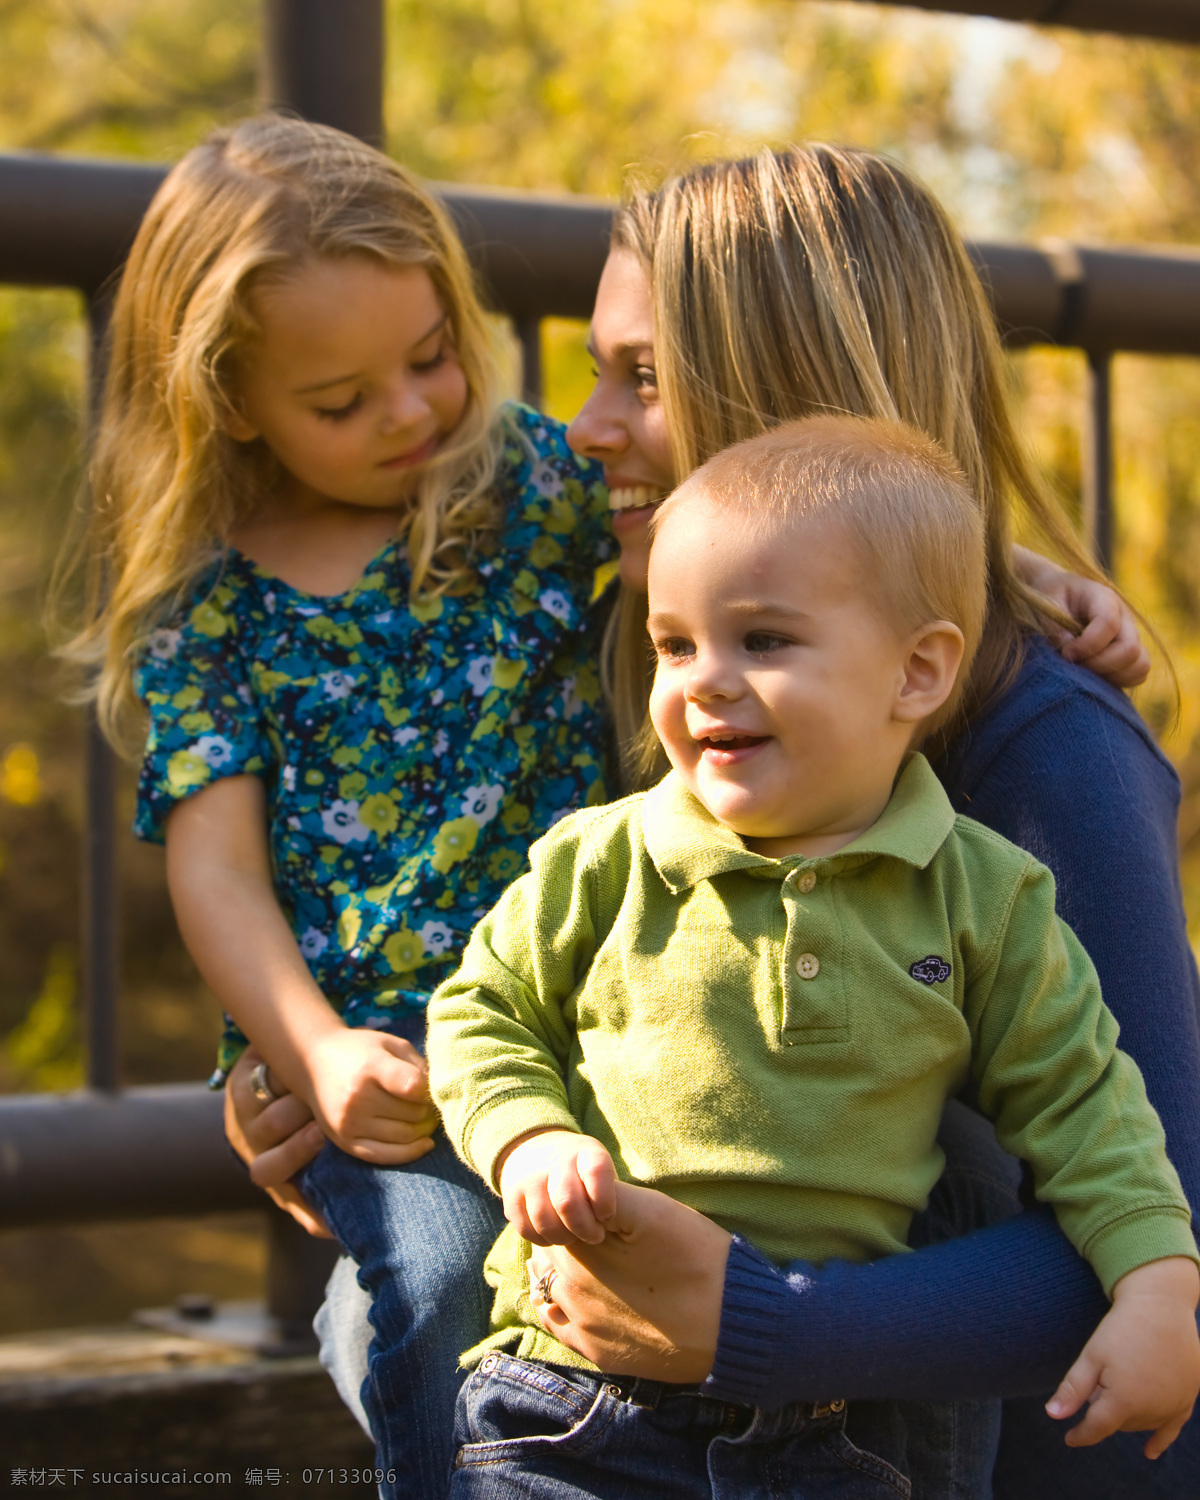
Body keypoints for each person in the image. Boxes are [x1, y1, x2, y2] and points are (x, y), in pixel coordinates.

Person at [223, 145, 1185, 1495]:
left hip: (937, 1454)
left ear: (795, 401)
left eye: (646, 376)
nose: (584, 428)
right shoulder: (675, 677)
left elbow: (1162, 1212)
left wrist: (763, 1327)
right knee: (385, 1300)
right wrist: (324, 1080)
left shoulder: (1049, 748)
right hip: (618, 1413)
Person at [427, 415, 1200, 1498]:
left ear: (917, 672)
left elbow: (1090, 1106)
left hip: (839, 1433)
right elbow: (479, 1011)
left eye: (764, 641)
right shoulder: (606, 859)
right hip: (572, 1401)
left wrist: (1158, 1288)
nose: (704, 681)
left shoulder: (984, 895)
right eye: (675, 644)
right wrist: (528, 1140)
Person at [65, 112, 616, 1499]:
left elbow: (752, 532)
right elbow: (219, 871)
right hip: (400, 1057)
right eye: (341, 400)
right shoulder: (213, 613)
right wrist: (313, 1053)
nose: (413, 413)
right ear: (230, 402)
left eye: (430, 357)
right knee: (427, 1289)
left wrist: (1009, 579)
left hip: (604, 1012)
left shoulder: (530, 487)